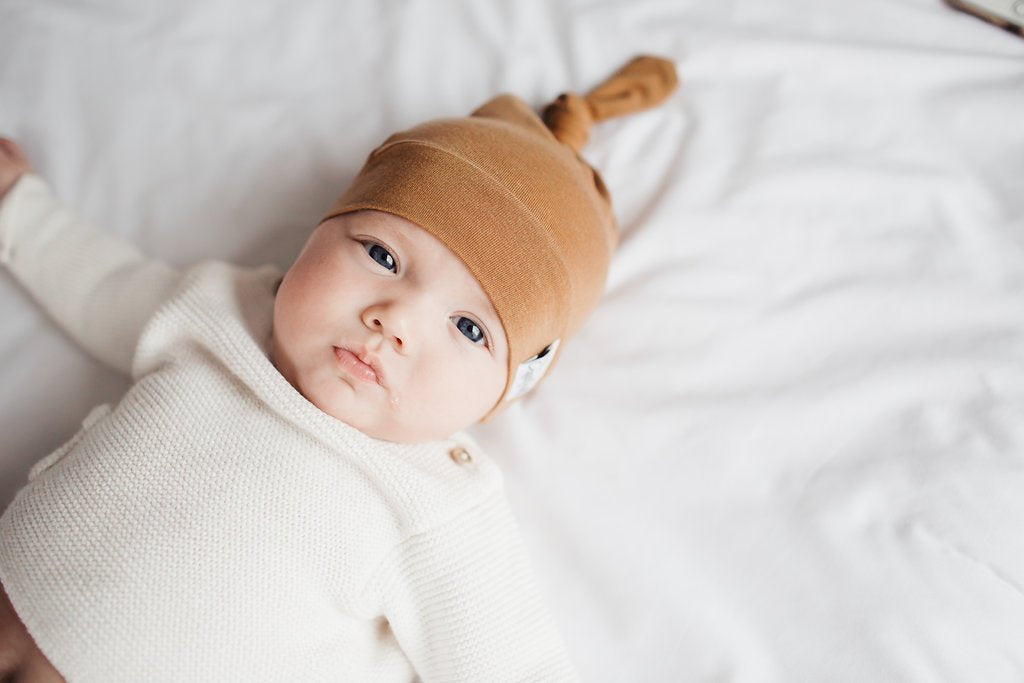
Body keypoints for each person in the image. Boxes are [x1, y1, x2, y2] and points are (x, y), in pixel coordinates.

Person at [0, 55, 678, 681]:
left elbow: (514, 664)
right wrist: (19, 210)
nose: (397, 319)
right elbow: (101, 285)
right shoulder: (217, 311)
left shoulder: (434, 507)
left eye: (470, 327)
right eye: (382, 255)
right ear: (316, 234)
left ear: (503, 393)